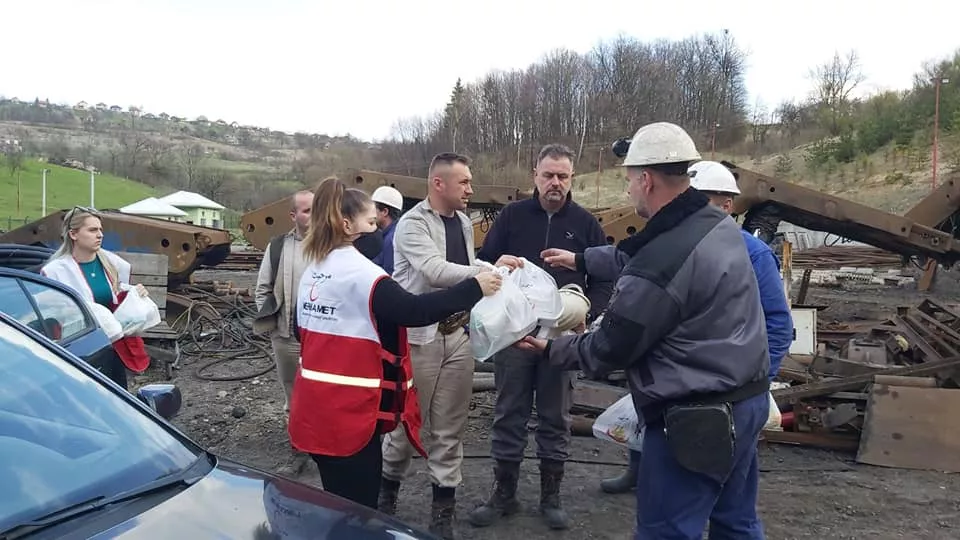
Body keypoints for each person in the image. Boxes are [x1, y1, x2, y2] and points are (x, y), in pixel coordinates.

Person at [518, 122, 771, 540]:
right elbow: (644, 258)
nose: (629, 189)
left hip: (695, 421)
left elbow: (610, 348)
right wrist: (581, 260)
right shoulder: (714, 223)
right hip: (747, 401)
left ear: (647, 180)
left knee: (666, 532)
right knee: (736, 523)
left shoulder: (662, 262)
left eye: (630, 180)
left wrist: (550, 349)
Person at [290, 176, 503, 513]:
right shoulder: (364, 275)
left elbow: (299, 330)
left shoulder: (315, 269)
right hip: (350, 416)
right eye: (371, 223)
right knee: (357, 511)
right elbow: (414, 311)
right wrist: (474, 287)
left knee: (334, 500)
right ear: (347, 225)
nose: (377, 229)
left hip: (313, 409)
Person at [599, 160, 795, 496]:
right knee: (651, 426)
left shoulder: (753, 253)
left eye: (700, 201)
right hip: (676, 379)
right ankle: (638, 469)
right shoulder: (673, 245)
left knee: (723, 490)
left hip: (728, 389)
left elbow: (777, 323)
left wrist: (759, 380)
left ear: (727, 205)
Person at [468, 143, 612, 531]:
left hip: (561, 339)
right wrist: (495, 264)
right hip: (513, 336)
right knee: (508, 413)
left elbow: (604, 278)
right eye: (548, 175)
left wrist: (588, 314)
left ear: (572, 179)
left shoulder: (586, 224)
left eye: (562, 176)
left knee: (555, 416)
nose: (555, 183)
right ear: (535, 175)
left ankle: (551, 496)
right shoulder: (512, 216)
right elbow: (485, 263)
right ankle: (504, 494)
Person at [378, 152, 520, 539]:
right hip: (419, 342)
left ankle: (443, 510)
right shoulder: (412, 224)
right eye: (464, 182)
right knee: (405, 426)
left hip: (457, 338)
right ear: (438, 184)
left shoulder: (462, 222)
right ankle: (385, 498)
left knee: (450, 428)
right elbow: (435, 271)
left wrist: (492, 264)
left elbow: (464, 265)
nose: (471, 189)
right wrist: (483, 274)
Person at [40, 206, 152, 389]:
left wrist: (135, 294)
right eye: (92, 230)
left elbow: (117, 299)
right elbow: (52, 315)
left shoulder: (112, 263)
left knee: (116, 395)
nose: (100, 235)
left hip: (111, 346)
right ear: (73, 234)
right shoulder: (55, 272)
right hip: (78, 350)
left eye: (100, 229)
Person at [254, 190, 314, 414]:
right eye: (307, 211)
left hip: (319, 337)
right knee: (291, 388)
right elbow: (262, 289)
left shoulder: (330, 247)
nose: (314, 215)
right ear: (293, 215)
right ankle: (294, 427)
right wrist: (273, 327)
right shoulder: (278, 247)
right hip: (286, 336)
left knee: (318, 389)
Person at [371, 185, 404, 274]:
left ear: (385, 212)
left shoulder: (391, 239)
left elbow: (389, 273)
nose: (369, 213)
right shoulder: (396, 231)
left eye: (372, 209)